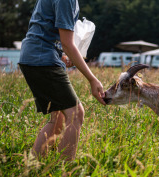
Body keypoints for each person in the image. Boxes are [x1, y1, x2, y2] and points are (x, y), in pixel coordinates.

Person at [18, 0, 105, 161]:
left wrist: (61, 54)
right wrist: (93, 80)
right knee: (76, 114)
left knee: (58, 118)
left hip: (35, 56)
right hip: (42, 58)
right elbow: (67, 43)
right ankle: (64, 173)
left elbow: (45, 30)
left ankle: (34, 166)